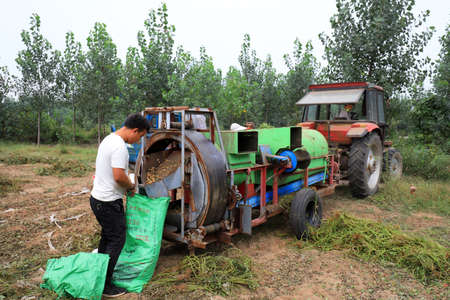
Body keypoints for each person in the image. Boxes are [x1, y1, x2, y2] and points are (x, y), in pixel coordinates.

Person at [90, 113, 149, 297]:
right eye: (139, 136)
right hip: (107, 202)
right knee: (117, 239)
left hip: (98, 199)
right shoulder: (120, 147)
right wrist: (131, 186)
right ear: (134, 130)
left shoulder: (108, 139)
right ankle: (107, 286)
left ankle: (99, 274)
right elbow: (118, 175)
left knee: (107, 237)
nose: (138, 140)